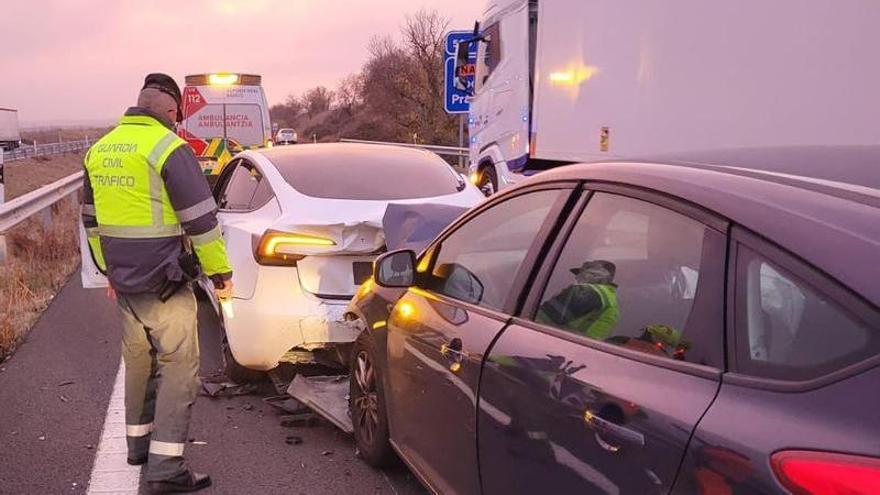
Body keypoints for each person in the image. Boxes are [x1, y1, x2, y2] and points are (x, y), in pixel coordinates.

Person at [81, 73, 233, 493]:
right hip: (165, 281)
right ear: (170, 112)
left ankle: (139, 447)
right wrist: (220, 273)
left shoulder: (99, 149)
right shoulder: (168, 147)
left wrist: (107, 269)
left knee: (140, 365)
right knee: (180, 369)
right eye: (178, 116)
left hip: (125, 284)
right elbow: (202, 221)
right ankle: (167, 469)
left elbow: (90, 222)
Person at [536, 260, 619, 340]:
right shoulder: (610, 297)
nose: (577, 277)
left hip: (563, 343)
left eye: (581, 274)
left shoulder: (587, 292)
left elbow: (542, 318)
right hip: (581, 347)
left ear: (594, 276)